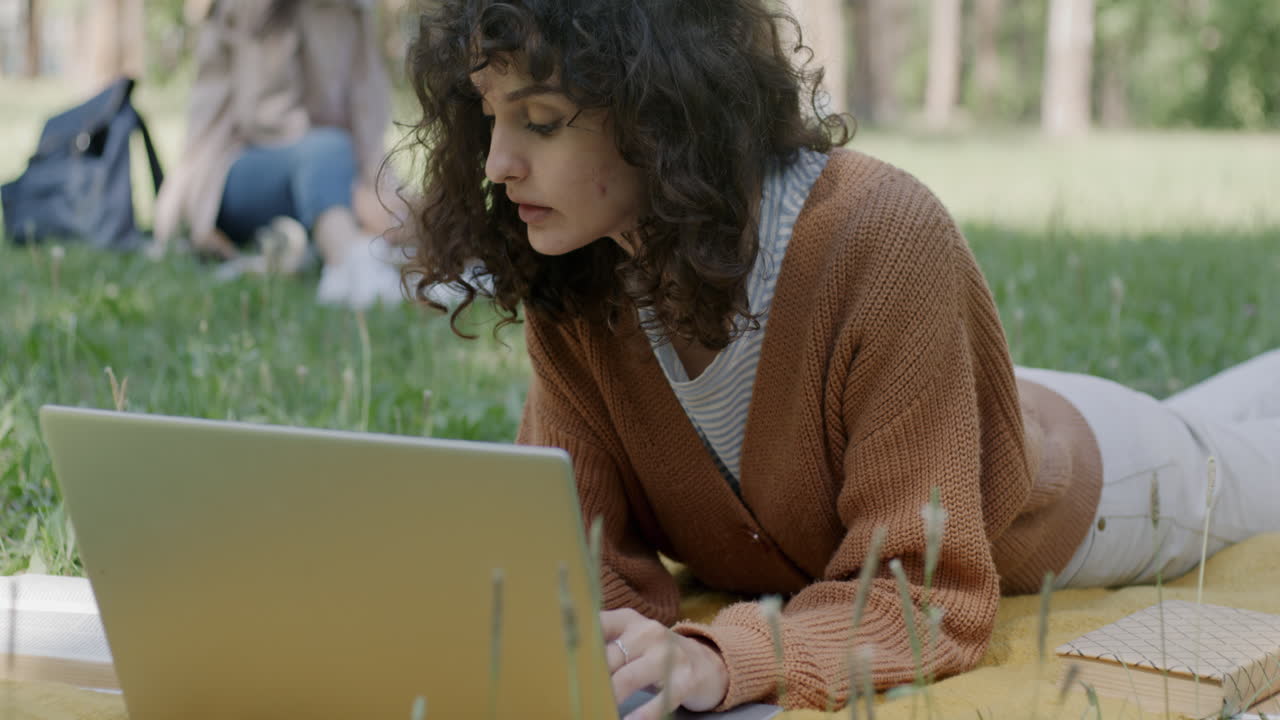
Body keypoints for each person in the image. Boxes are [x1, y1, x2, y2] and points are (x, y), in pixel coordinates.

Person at [400, 1, 1280, 717]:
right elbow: (585, 575)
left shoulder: (881, 236)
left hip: (1107, 490)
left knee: (1250, 455)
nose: (499, 162)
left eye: (542, 122)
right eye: (487, 119)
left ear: (663, 111)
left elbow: (924, 594)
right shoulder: (578, 284)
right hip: (966, 416)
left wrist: (725, 657)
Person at [154, 0, 406, 309]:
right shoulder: (247, 8)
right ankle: (346, 270)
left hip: (328, 169)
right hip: (229, 167)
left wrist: (379, 188)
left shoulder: (354, 11)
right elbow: (263, 117)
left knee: (398, 201)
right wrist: (351, 186)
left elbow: (368, 114)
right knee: (328, 151)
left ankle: (349, 251)